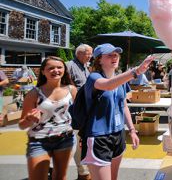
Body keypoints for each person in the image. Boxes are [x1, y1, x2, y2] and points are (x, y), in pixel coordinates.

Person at [80, 43, 153, 180]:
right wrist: (136, 71)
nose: (114, 57)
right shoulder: (94, 77)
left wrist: (132, 130)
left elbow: (123, 105)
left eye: (116, 54)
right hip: (99, 137)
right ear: (99, 60)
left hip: (118, 134)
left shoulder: (121, 79)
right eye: (109, 55)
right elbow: (108, 85)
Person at [19, 56, 77, 180]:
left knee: (60, 177)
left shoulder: (71, 90)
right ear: (43, 71)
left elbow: (78, 116)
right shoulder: (34, 93)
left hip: (65, 139)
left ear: (64, 70)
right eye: (51, 68)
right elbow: (21, 125)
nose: (55, 70)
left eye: (59, 67)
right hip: (39, 141)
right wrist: (29, 118)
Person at [66, 44, 93, 180]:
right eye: (88, 53)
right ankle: (82, 173)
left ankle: (83, 173)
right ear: (80, 53)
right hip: (73, 111)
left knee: (81, 144)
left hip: (84, 110)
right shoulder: (69, 65)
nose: (90, 56)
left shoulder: (85, 67)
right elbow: (65, 87)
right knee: (75, 144)